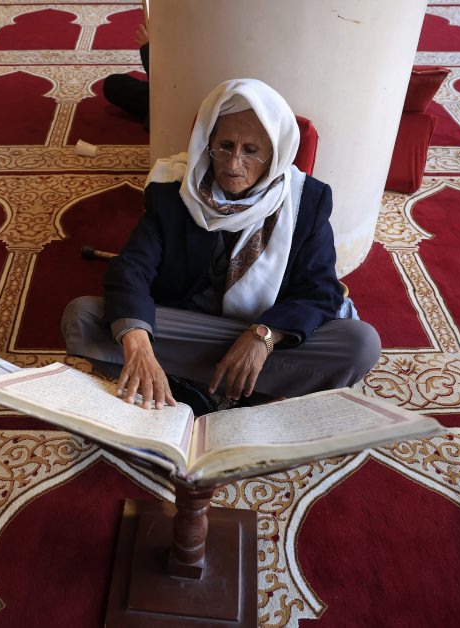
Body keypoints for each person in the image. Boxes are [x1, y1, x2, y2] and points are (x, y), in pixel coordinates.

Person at [63, 78, 381, 413]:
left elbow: (319, 291)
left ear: (274, 154)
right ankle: (234, 393)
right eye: (225, 146)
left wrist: (263, 337)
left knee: (360, 344)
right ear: (207, 142)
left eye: (251, 151)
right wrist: (139, 346)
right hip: (193, 330)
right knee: (83, 317)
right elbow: (131, 269)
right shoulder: (174, 192)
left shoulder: (306, 202)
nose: (232, 164)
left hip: (265, 332)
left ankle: (194, 388)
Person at [102, 24, 150, 129]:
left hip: (170, 104)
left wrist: (147, 48)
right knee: (113, 83)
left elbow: (163, 84)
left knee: (114, 85)